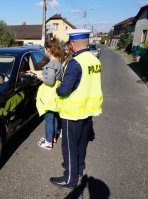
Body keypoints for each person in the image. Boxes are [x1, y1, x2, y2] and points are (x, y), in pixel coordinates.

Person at [50, 29, 103, 189]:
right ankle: (78, 169)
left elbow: (65, 89)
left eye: (70, 43)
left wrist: (58, 89)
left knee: (69, 147)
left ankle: (69, 179)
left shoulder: (75, 62)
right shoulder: (94, 60)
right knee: (81, 144)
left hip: (73, 112)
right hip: (88, 111)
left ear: (73, 43)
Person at [27, 38, 62, 150]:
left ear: (48, 50)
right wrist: (34, 72)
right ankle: (53, 138)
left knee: (49, 119)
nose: (44, 52)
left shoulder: (51, 64)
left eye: (44, 50)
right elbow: (48, 73)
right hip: (55, 96)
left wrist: (39, 77)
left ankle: (47, 142)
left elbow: (50, 81)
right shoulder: (57, 62)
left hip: (49, 96)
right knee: (55, 117)